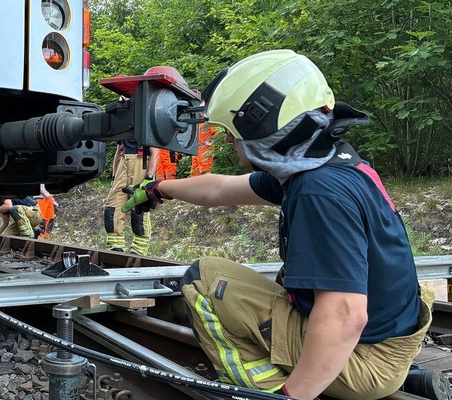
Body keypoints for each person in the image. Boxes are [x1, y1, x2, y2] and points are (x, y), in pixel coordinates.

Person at [122, 50, 446, 400]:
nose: (230, 140)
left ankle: (266, 390)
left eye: (232, 131)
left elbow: (344, 314)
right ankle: (394, 379)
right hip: (392, 340)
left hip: (363, 358)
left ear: (262, 127)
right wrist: (159, 188)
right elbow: (220, 188)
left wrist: (294, 396)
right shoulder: (329, 164)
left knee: (204, 279)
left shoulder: (317, 192)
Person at [104, 138, 159, 255]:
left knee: (139, 207)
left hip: (142, 162)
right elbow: (119, 151)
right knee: (113, 205)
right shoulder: (124, 125)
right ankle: (115, 247)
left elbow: (155, 152)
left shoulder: (146, 123)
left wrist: (149, 177)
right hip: (124, 162)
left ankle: (139, 249)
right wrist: (114, 176)